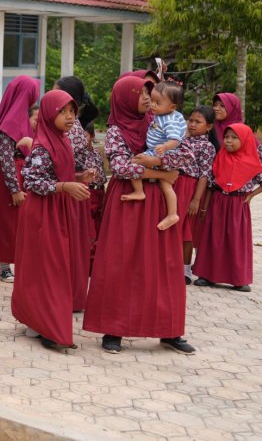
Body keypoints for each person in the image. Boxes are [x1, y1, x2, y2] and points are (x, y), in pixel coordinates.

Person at [83, 75, 195, 356]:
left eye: (150, 93)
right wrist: (162, 172)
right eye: (141, 93)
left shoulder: (161, 121)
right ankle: (113, 329)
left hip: (157, 201)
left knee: (165, 265)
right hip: (127, 203)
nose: (147, 98)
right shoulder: (117, 131)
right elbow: (120, 166)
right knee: (122, 263)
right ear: (124, 98)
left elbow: (185, 156)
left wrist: (156, 163)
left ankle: (170, 330)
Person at [13, 89, 91, 350]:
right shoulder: (41, 145)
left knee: (51, 268)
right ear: (48, 113)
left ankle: (39, 321)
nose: (69, 117)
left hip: (57, 211)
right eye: (62, 112)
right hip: (41, 214)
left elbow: (58, 172)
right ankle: (47, 326)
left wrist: (79, 178)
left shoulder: (63, 140)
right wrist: (65, 187)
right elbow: (33, 182)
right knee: (47, 268)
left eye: (72, 111)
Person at [0, 75, 39, 282]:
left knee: (21, 221)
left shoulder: (25, 117)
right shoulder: (11, 121)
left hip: (21, 171)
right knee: (6, 220)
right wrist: (14, 189)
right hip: (7, 175)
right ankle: (5, 267)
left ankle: (19, 263)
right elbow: (6, 158)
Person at [193, 124, 262, 292]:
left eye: (234, 137)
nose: (229, 141)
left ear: (245, 140)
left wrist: (251, 196)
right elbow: (210, 183)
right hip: (218, 201)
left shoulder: (253, 161)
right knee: (213, 237)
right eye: (227, 137)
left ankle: (238, 279)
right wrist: (205, 206)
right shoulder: (220, 157)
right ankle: (206, 275)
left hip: (238, 204)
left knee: (236, 240)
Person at [53, 76, 99, 311]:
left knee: (67, 247)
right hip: (71, 190)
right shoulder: (73, 128)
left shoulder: (71, 131)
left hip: (68, 195)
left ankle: (66, 297)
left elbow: (60, 167)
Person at [121, 81, 185, 231]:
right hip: (157, 151)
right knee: (165, 183)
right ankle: (171, 213)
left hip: (162, 152)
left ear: (172, 107)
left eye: (157, 102)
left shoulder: (170, 120)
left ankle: (169, 211)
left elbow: (176, 139)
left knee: (136, 163)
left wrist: (165, 147)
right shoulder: (161, 114)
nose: (152, 105)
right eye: (152, 100)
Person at [170, 106, 217, 284]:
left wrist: (196, 200)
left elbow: (204, 174)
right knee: (172, 224)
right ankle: (169, 265)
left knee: (185, 227)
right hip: (173, 182)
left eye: (198, 122)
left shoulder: (207, 147)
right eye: (190, 120)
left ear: (209, 127)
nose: (192, 124)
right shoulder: (181, 139)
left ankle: (185, 269)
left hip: (188, 186)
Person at [84, 121, 107, 236]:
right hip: (89, 191)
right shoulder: (78, 155)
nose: (81, 140)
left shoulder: (96, 153)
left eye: (85, 136)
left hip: (100, 190)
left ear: (92, 136)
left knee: (100, 218)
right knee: (89, 221)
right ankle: (90, 252)